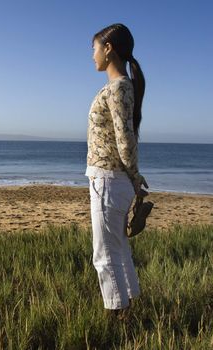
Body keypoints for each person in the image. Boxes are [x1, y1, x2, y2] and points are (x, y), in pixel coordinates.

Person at [85, 23, 148, 318]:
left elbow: (126, 139)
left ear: (108, 49)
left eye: (95, 48)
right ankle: (129, 310)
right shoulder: (119, 87)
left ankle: (116, 317)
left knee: (105, 254)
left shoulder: (119, 86)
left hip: (108, 180)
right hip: (111, 180)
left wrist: (135, 179)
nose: (92, 55)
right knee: (119, 250)